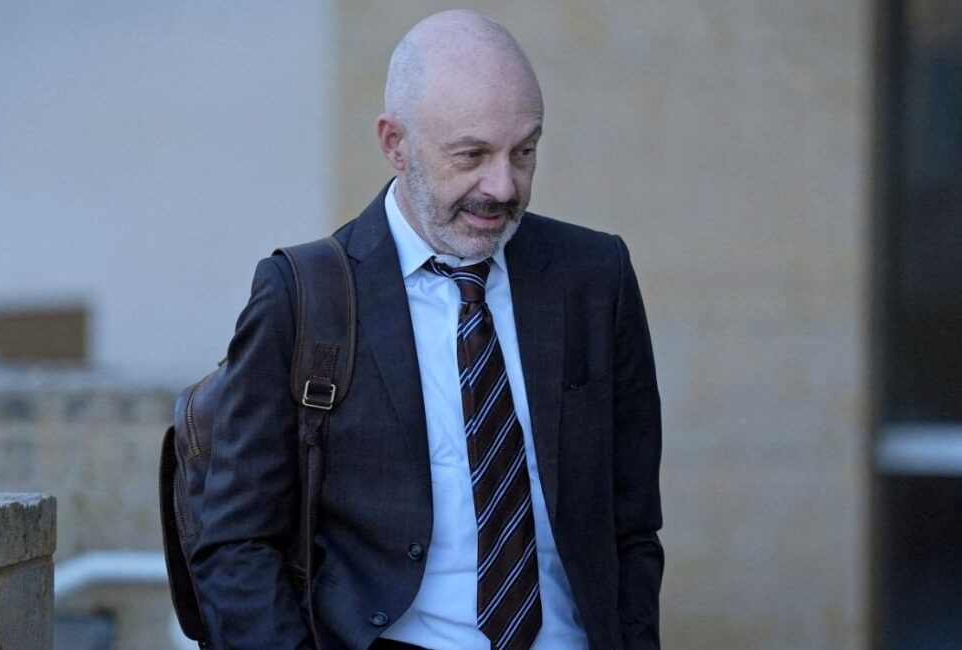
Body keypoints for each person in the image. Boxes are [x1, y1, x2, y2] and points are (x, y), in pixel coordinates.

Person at [190, 10, 662, 650]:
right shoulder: (304, 294)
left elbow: (631, 527)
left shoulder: (594, 276)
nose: (502, 185)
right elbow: (235, 544)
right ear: (394, 143)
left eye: (524, 151)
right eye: (471, 154)